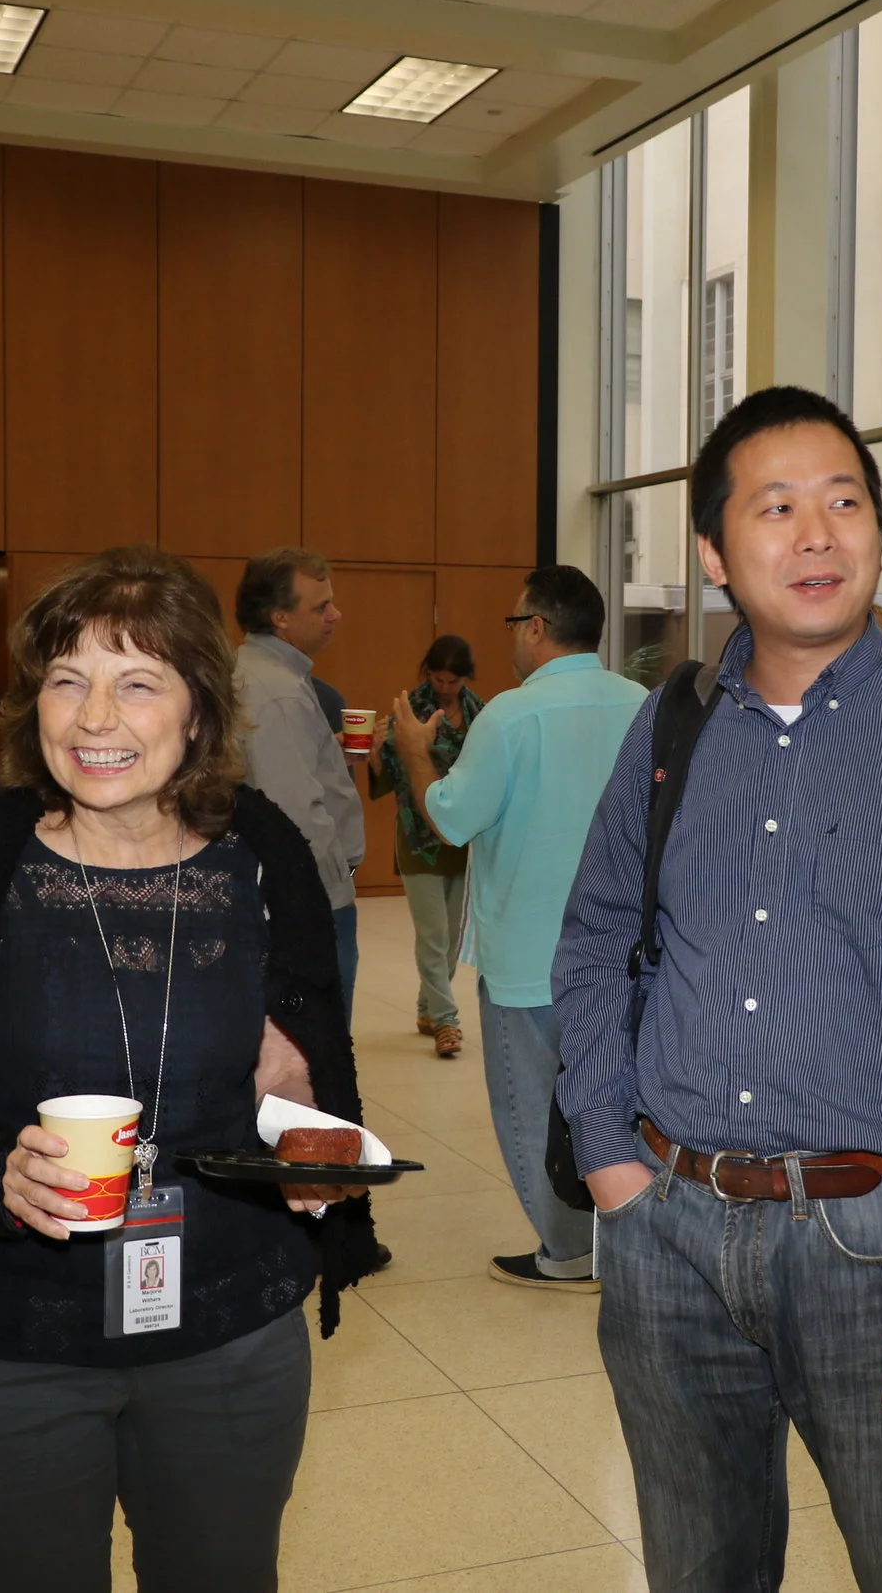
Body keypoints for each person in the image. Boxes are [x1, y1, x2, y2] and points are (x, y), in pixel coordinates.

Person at [555, 387, 882, 1589]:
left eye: (845, 502)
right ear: (714, 549)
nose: (818, 534)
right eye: (776, 507)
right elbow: (592, 937)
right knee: (698, 1567)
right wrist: (605, 1153)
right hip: (666, 1224)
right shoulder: (671, 724)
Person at [0, 547, 383, 1593]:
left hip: (227, 1331)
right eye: (66, 680)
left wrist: (308, 1130)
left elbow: (307, 1078)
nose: (92, 718)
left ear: (200, 711)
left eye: (137, 682)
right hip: (4, 1343)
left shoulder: (264, 861)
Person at [389, 568, 644, 1292]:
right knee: (619, 1103)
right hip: (626, 955)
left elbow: (450, 817)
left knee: (535, 1110)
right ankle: (628, 1243)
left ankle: (567, 1253)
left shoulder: (512, 715)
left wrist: (414, 748)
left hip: (530, 957)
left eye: (514, 623)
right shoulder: (642, 706)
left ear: (536, 626)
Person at [234, 549, 366, 1020]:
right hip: (306, 902)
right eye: (320, 607)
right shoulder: (277, 692)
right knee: (315, 1054)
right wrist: (333, 883)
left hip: (282, 896)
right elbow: (292, 813)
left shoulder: (263, 674)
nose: (335, 615)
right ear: (280, 617)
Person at [368, 634, 482, 1059]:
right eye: (439, 678)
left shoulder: (480, 713)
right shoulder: (408, 711)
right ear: (427, 672)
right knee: (433, 935)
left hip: (460, 834)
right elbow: (386, 778)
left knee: (452, 938)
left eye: (454, 681)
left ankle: (425, 1008)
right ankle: (447, 1022)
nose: (445, 688)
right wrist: (379, 750)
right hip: (418, 837)